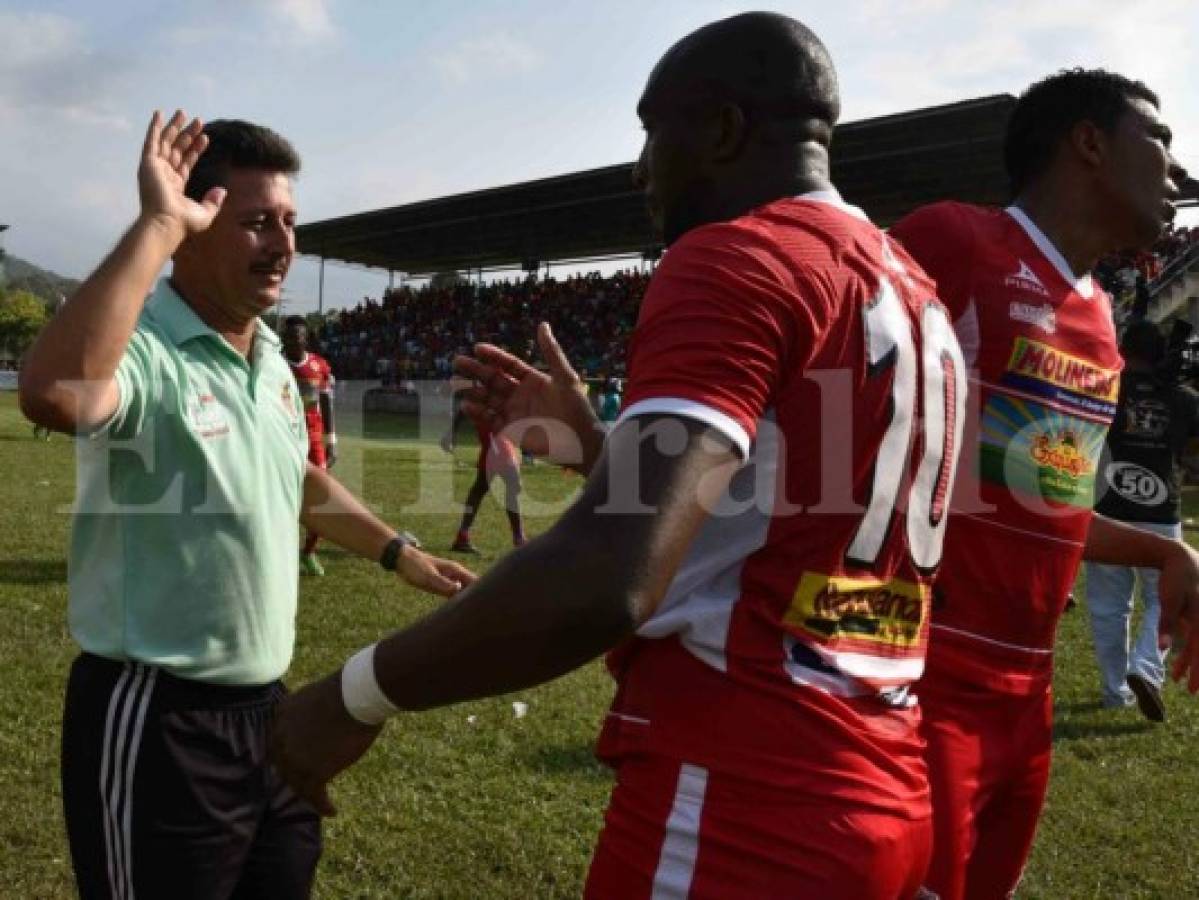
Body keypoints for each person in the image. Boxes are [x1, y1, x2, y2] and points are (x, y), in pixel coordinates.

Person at [273, 13, 972, 897]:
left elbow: (608, 578)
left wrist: (351, 696)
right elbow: (787, 517)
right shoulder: (911, 288)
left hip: (742, 794)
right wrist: (597, 447)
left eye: (651, 133)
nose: (641, 169)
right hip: (883, 783)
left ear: (720, 130)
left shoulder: (740, 257)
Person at [17, 112, 474, 899]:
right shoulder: (149, 349)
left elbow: (294, 479)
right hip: (158, 717)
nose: (285, 242)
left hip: (272, 714)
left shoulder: (268, 356)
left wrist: (397, 551)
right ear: (192, 229)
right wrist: (156, 223)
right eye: (257, 222)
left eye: (290, 221)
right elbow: (56, 396)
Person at [888, 69, 1197, 900]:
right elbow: (805, 411)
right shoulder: (953, 243)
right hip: (922, 683)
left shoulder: (1097, 314)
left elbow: (1044, 505)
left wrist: (1166, 554)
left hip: (1028, 702)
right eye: (1159, 139)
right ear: (1088, 143)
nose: (1175, 169)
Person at [1087, 319, 1199, 721]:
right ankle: (1145, 668)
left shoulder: (1105, 386)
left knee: (1108, 606)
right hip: (1161, 511)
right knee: (1163, 599)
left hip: (1108, 513)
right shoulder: (1183, 397)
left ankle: (1114, 692)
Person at [283, 315, 337, 576]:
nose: (294, 339)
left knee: (320, 495)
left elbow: (326, 402)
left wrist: (332, 439)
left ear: (306, 338)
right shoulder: (274, 363)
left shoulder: (319, 365)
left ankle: (309, 552)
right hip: (282, 437)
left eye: (299, 335)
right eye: (290, 335)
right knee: (282, 496)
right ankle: (283, 553)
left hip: (313, 438)